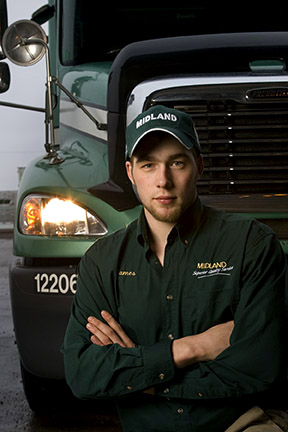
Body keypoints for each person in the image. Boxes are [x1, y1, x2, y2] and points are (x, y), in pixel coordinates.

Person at [62, 105, 288, 432]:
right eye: (149, 165)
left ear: (200, 166)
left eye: (177, 163)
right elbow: (84, 374)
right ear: (130, 172)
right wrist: (194, 348)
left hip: (242, 422)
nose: (163, 181)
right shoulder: (102, 261)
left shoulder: (252, 245)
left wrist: (142, 375)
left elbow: (259, 368)